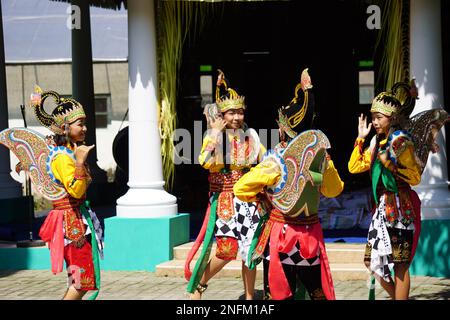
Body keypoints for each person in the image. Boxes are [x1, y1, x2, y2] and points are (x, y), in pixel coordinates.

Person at [233, 68, 344, 300]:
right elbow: (335, 190)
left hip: (281, 235)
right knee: (315, 291)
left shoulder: (276, 160)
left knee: (279, 292)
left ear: (283, 127)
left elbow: (240, 188)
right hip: (310, 235)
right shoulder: (322, 158)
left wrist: (264, 196)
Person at [347, 80, 447, 300]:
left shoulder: (401, 142)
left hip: (401, 207)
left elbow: (414, 176)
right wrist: (360, 139)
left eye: (378, 118)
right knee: (371, 261)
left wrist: (391, 163)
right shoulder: (375, 142)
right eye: (372, 117)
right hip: (382, 209)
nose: (374, 122)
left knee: (400, 265)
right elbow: (354, 167)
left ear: (391, 118)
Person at [184, 70, 266, 300]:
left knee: (250, 251)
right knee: (227, 250)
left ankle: (250, 297)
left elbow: (266, 162)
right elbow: (205, 162)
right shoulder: (214, 137)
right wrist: (215, 134)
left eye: (240, 112)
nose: (237, 117)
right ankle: (199, 286)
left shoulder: (251, 137)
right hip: (226, 200)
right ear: (222, 115)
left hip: (249, 201)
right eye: (231, 113)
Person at [29, 86, 103, 300]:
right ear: (64, 127)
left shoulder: (68, 152)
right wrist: (80, 162)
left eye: (84, 123)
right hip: (71, 225)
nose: (85, 128)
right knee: (80, 282)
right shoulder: (63, 157)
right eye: (80, 124)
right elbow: (76, 188)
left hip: (76, 220)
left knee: (81, 280)